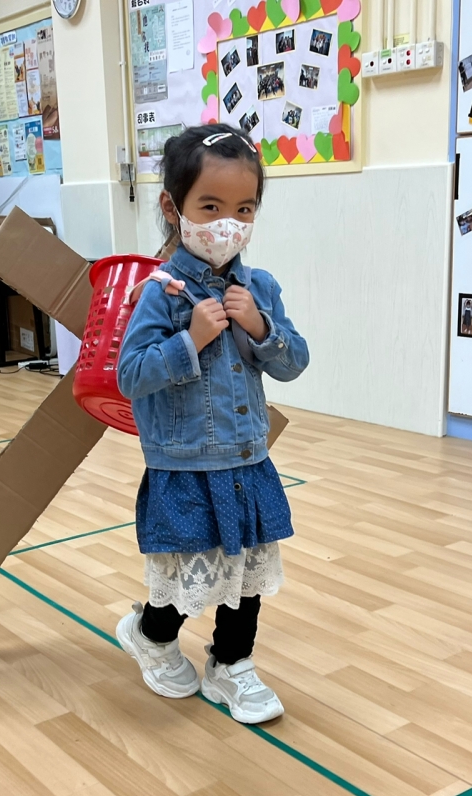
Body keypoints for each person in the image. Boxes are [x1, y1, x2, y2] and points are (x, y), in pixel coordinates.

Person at [115, 124, 310, 724]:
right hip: (183, 464)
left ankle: (231, 664)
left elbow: (294, 363)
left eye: (244, 209)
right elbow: (130, 375)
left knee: (246, 573)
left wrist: (261, 328)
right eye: (210, 207)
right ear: (173, 207)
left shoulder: (260, 288)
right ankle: (151, 635)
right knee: (188, 573)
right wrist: (190, 340)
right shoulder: (160, 294)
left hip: (249, 459)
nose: (228, 223)